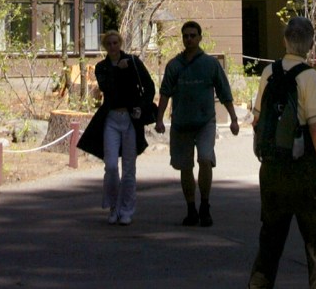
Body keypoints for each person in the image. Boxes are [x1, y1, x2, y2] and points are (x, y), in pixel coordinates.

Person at [248, 16, 316, 289]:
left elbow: (257, 119)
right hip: (304, 171)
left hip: (273, 169)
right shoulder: (309, 76)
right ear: (311, 44)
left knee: (270, 242)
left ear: (284, 41)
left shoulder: (269, 72)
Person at [154, 19, 239, 227]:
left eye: (193, 35)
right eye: (186, 36)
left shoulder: (210, 64)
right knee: (184, 166)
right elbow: (164, 94)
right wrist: (159, 119)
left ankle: (205, 205)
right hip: (181, 123)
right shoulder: (174, 65)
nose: (189, 39)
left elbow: (224, 92)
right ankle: (191, 208)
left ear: (200, 38)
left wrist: (234, 119)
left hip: (205, 123)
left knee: (205, 158)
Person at [81, 29, 155, 226]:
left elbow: (149, 86)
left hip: (130, 119)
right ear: (105, 46)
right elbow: (107, 89)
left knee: (129, 167)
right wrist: (117, 70)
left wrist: (141, 106)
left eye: (116, 43)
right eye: (109, 44)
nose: (113, 47)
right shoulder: (102, 67)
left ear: (120, 43)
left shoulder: (133, 62)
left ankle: (127, 210)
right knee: (111, 166)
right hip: (111, 119)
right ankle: (113, 207)